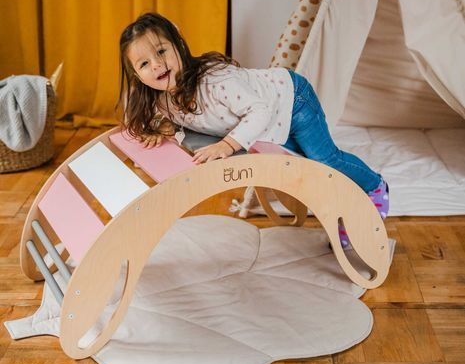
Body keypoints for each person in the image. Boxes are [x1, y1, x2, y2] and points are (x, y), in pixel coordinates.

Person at [117, 12, 389, 246]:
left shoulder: (215, 80)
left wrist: (227, 145)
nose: (156, 64)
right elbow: (143, 114)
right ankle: (346, 208)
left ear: (178, 44)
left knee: (324, 160)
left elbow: (260, 110)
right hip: (270, 125)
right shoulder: (161, 99)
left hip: (292, 100)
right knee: (306, 166)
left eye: (161, 52)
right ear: (137, 76)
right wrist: (154, 130)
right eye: (144, 64)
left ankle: (375, 186)